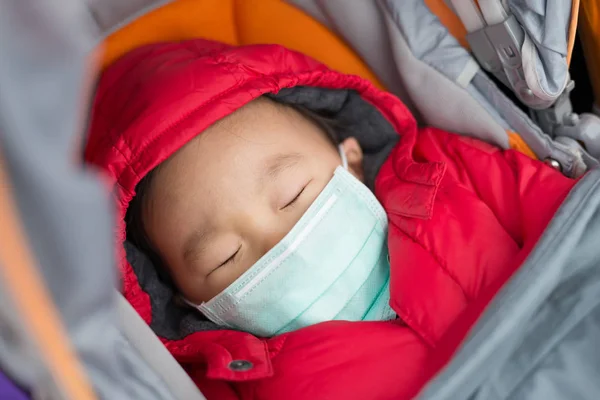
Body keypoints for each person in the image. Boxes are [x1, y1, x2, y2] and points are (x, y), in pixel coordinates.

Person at [85, 39, 576, 399]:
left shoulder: (445, 175)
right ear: (188, 301)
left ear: (352, 160)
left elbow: (572, 223)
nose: (279, 242)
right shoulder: (227, 384)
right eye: (224, 258)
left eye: (293, 194)